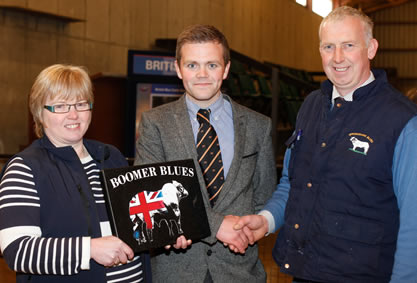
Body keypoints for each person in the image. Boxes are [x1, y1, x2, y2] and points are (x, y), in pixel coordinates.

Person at [235, 6, 417, 283]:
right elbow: (292, 183)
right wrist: (267, 220)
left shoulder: (402, 120)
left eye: (349, 45)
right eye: (328, 46)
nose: (338, 57)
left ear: (371, 48)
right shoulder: (311, 105)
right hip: (304, 271)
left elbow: (414, 221)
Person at [134, 24, 281, 282]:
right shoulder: (155, 124)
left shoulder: (258, 126)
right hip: (176, 272)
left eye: (212, 65)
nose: (202, 74)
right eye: (192, 65)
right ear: (178, 68)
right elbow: (148, 195)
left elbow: (264, 197)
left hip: (239, 270)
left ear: (225, 69)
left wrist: (250, 229)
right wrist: (217, 226)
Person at [0, 64, 152, 282]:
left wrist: (165, 231)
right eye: (60, 106)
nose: (73, 114)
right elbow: (18, 251)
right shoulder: (25, 168)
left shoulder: (111, 157)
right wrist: (89, 249)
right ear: (40, 113)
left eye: (81, 104)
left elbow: (137, 222)